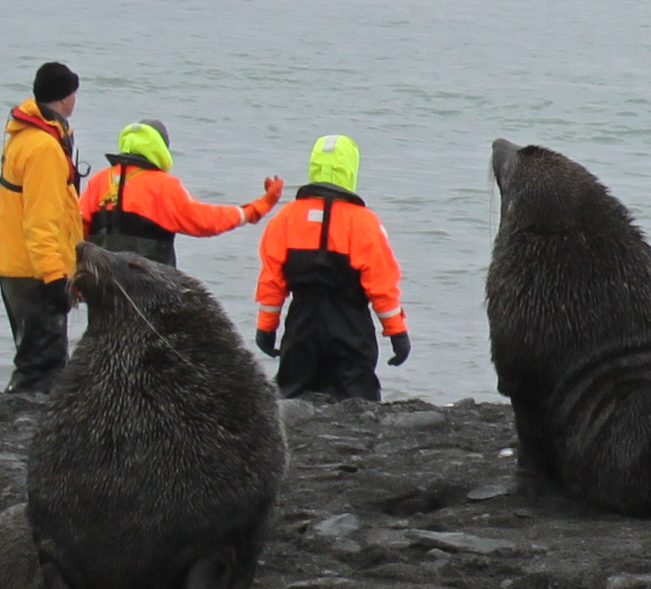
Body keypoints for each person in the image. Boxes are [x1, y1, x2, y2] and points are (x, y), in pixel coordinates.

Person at [255, 136, 410, 403]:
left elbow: (272, 282)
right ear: (350, 170)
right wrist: (397, 333)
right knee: (359, 402)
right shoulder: (364, 223)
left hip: (302, 326)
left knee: (292, 398)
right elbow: (382, 286)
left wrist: (266, 329)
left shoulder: (286, 218)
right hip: (351, 327)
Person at [0, 62, 85, 395]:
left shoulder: (23, 137)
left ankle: (20, 413)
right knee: (43, 364)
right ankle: (31, 424)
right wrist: (55, 277)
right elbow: (41, 220)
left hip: (15, 265)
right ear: (64, 98)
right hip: (35, 272)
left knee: (32, 356)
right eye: (74, 93)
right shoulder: (44, 148)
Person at [77, 123, 280, 269]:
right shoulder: (163, 185)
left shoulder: (99, 180)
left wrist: (77, 278)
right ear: (160, 148)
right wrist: (255, 209)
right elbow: (204, 221)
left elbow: (78, 228)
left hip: (101, 284)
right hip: (150, 286)